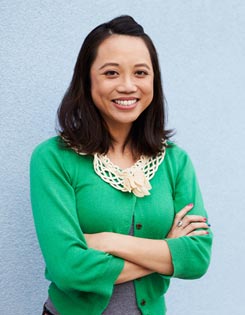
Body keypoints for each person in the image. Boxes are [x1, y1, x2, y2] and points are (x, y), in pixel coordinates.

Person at [30, 15, 213, 315]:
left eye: (141, 72)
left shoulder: (176, 162)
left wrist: (106, 241)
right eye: (111, 73)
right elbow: (69, 269)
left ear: (154, 80)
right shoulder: (53, 158)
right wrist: (167, 250)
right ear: (87, 80)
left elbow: (197, 258)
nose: (128, 86)